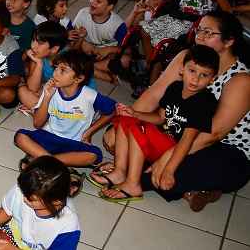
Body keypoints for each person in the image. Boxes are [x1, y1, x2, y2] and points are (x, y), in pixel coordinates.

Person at [101, 11, 250, 212]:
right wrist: (123, 124)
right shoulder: (186, 58)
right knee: (128, 135)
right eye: (199, 31)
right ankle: (191, 189)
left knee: (173, 169)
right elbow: (154, 95)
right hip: (182, 131)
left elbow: (213, 133)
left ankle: (139, 179)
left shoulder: (240, 80)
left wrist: (168, 158)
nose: (200, 36)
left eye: (209, 32)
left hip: (224, 148)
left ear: (229, 41)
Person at [95, 44, 218, 203]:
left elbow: (187, 141)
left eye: (204, 75)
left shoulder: (204, 102)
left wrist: (168, 170)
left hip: (175, 151)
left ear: (212, 79)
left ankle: (133, 185)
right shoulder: (175, 88)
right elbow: (160, 117)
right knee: (125, 119)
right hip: (162, 140)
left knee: (139, 128)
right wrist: (135, 113)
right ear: (182, 70)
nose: (196, 79)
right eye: (192, 71)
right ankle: (119, 171)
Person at [15, 50, 115, 194]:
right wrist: (47, 97)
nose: (55, 73)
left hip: (74, 143)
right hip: (49, 136)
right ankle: (61, 169)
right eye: (56, 68)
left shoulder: (89, 95)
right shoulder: (50, 89)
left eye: (63, 70)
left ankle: (42, 163)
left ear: (79, 78)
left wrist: (90, 131)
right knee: (20, 136)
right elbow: (37, 123)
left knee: (94, 155)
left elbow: (112, 110)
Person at [0, 156, 80, 250]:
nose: (24, 199)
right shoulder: (26, 189)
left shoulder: (67, 227)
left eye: (31, 199)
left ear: (56, 201)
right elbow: (6, 211)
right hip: (14, 235)